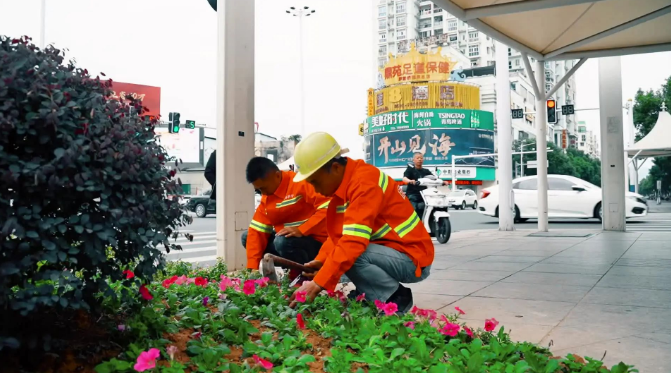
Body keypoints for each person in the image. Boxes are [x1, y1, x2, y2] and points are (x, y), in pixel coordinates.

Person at [289, 132, 434, 313]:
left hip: (413, 258)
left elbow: (351, 242)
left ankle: (395, 298)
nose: (315, 189)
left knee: (352, 253)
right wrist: (321, 261)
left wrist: (318, 284)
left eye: (315, 182)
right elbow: (338, 236)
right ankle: (369, 295)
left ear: (335, 167)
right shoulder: (347, 184)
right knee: (342, 255)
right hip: (396, 251)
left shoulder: (363, 182)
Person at [243, 157, 331, 274]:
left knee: (282, 242)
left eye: (264, 188)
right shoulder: (267, 197)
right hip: (288, 243)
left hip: (317, 243)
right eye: (258, 190)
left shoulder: (300, 183)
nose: (262, 193)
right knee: (247, 237)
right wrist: (253, 268)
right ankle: (289, 271)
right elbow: (257, 231)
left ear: (277, 175)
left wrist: (302, 229)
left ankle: (305, 273)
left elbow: (328, 209)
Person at [402, 152, 448, 218]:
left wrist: (443, 182)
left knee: (432, 206)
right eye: (417, 158)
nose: (419, 159)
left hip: (425, 195)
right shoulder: (410, 170)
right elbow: (404, 178)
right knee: (413, 210)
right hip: (413, 195)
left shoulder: (426, 171)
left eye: (421, 158)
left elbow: (434, 179)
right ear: (413, 160)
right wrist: (410, 181)